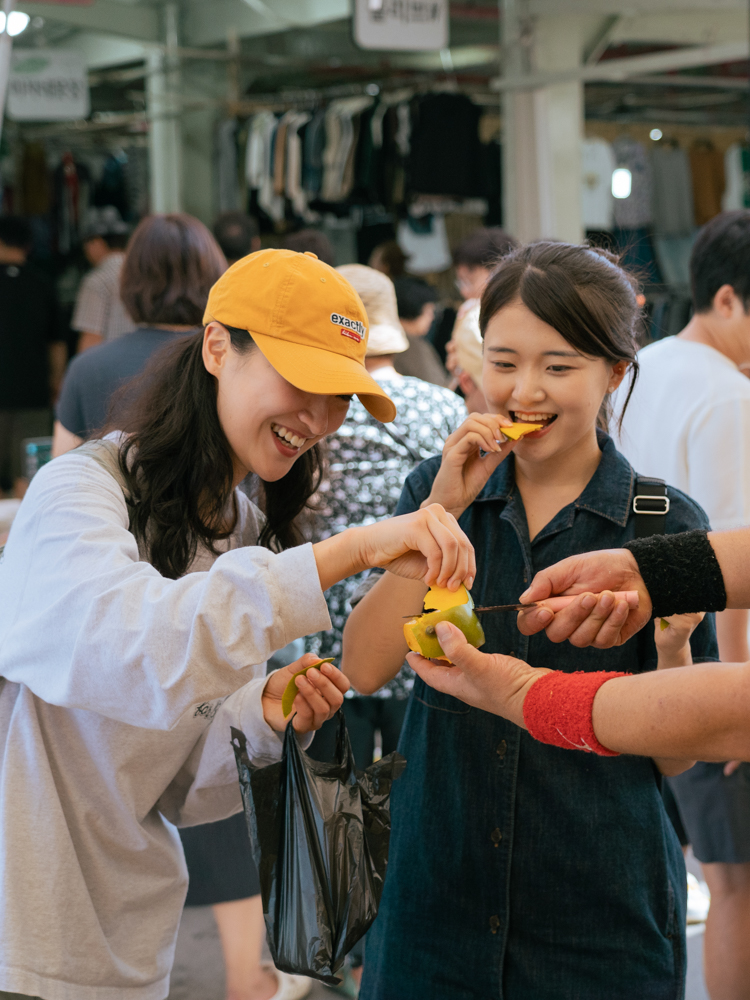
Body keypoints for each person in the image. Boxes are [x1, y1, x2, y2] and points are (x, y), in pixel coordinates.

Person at [0, 248, 474, 1000]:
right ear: (218, 346)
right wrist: (343, 554)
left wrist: (264, 715)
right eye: (301, 380)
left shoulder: (243, 533)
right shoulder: (80, 490)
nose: (319, 417)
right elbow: (124, 649)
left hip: (127, 945)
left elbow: (180, 786)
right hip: (20, 932)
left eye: (339, 395)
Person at [343, 242, 717, 1000]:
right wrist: (436, 516)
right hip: (432, 906)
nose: (525, 390)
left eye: (559, 366)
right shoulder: (436, 489)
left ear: (615, 372)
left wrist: (674, 644)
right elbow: (364, 667)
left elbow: (679, 760)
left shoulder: (666, 524)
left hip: (600, 917)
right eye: (504, 362)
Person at [612, 209, 750, 1000]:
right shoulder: (729, 395)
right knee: (736, 886)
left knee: (689, 869)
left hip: (641, 649)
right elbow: (730, 563)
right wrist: (734, 695)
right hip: (701, 661)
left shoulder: (645, 365)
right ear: (726, 299)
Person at [52, 214, 224, 458]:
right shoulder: (227, 360)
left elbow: (62, 469)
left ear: (129, 279)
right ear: (214, 276)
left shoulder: (85, 369)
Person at [0, 216, 66, 496]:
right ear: (27, 246)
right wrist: (56, 381)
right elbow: (57, 342)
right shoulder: (43, 284)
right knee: (29, 480)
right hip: (34, 393)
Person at [73, 206, 135, 353]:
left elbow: (91, 340)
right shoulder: (143, 274)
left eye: (87, 243)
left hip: (110, 364)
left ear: (97, 242)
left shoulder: (97, 280)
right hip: (146, 362)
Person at [392, 276, 449, 387]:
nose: (432, 317)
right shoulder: (411, 345)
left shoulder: (389, 341)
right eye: (429, 312)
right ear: (413, 309)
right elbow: (437, 385)